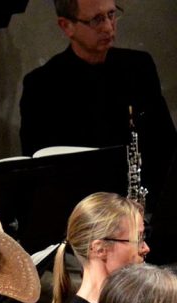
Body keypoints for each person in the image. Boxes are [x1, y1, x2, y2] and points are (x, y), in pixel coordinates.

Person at [19, 0, 175, 200]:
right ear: (66, 26)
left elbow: (166, 146)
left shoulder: (138, 67)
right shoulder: (41, 85)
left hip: (141, 205)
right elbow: (40, 169)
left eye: (111, 15)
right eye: (96, 20)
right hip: (80, 209)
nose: (109, 27)